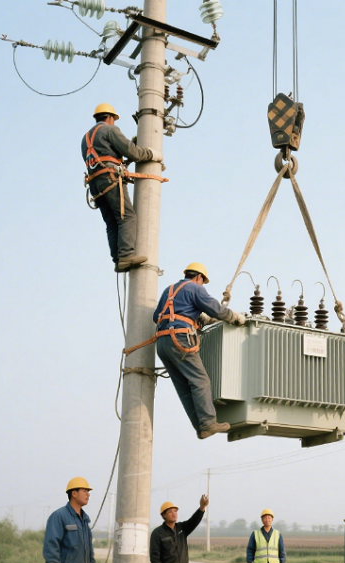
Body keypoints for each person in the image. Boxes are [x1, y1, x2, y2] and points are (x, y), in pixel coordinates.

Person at [153, 262, 245, 439]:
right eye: (203, 281)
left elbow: (156, 316)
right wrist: (235, 318)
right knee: (200, 381)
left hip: (163, 343)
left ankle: (202, 427)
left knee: (185, 387)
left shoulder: (169, 290)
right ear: (199, 277)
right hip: (179, 340)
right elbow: (216, 309)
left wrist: (195, 316)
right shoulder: (195, 289)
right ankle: (208, 423)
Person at [82, 102, 162, 273]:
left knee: (112, 222)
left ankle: (118, 259)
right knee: (127, 217)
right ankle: (126, 255)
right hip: (110, 179)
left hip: (95, 184)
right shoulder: (110, 130)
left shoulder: (86, 138)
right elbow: (132, 152)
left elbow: (107, 157)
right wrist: (152, 154)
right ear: (110, 118)